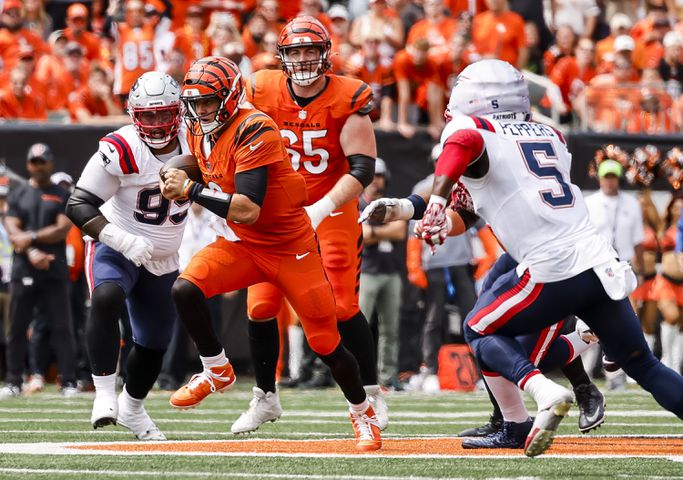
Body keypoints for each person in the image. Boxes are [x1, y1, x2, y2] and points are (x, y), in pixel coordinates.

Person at [360, 59, 683, 457]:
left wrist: (435, 203)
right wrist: (420, 211)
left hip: (552, 265)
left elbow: (463, 144)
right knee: (645, 366)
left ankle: (531, 407)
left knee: (479, 329)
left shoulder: (471, 131)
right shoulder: (552, 135)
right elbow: (480, 204)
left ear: (479, 99)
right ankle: (542, 393)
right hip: (598, 263)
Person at [161, 55, 381, 452]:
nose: (203, 110)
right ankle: (216, 370)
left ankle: (363, 412)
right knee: (185, 288)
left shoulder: (254, 127)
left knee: (325, 343)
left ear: (229, 97)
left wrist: (190, 190)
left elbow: (247, 208)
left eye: (210, 101)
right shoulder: (197, 129)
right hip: (246, 245)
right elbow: (201, 163)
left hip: (289, 247)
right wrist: (171, 172)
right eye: (196, 103)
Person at [234, 16, 387, 435]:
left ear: (326, 54)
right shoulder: (261, 89)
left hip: (332, 205)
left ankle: (370, 392)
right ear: (283, 57)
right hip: (278, 210)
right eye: (295, 51)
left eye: (310, 50)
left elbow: (362, 168)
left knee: (341, 305)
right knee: (261, 304)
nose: (303, 59)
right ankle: (265, 396)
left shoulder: (348, 96)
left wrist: (322, 207)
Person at [65, 71, 190, 440]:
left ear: (179, 112)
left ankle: (133, 409)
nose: (155, 123)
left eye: (164, 114)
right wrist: (121, 241)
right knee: (106, 296)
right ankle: (103, 395)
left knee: (153, 344)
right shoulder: (122, 146)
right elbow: (79, 203)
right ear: (134, 114)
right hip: (118, 244)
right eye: (147, 115)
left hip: (164, 255)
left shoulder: (198, 142)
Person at [0, 143, 77, 399]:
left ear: (50, 163)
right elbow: (12, 228)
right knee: (17, 326)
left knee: (62, 326)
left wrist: (30, 238)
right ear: (28, 164)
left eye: (42, 161)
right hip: (24, 266)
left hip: (53, 267)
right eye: (34, 162)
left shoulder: (61, 194)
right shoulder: (18, 194)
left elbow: (61, 228)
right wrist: (31, 250)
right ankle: (13, 380)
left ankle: (68, 381)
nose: (38, 166)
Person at [358, 158, 406, 390]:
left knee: (391, 329)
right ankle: (356, 374)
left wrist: (375, 232)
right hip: (366, 271)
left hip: (390, 271)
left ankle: (388, 376)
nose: (377, 181)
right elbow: (363, 234)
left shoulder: (392, 203)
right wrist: (382, 231)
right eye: (373, 176)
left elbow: (400, 231)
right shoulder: (357, 202)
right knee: (360, 326)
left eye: (380, 176)